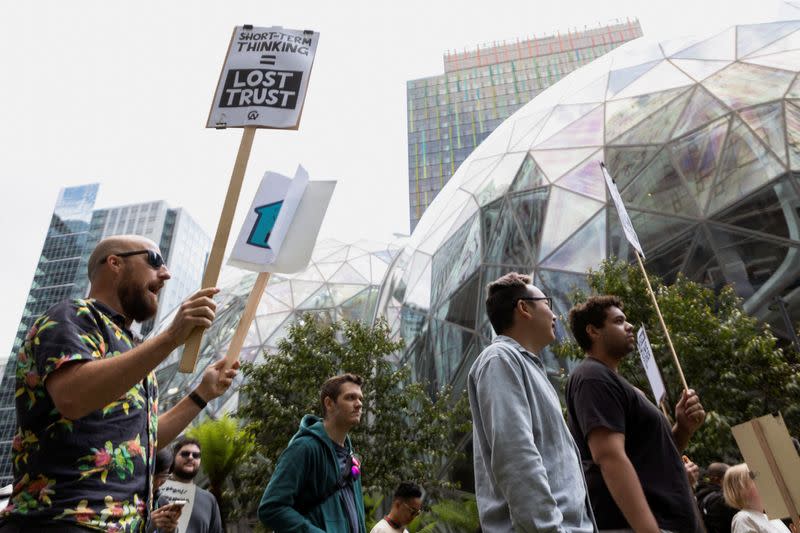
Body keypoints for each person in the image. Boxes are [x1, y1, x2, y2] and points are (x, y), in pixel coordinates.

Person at [0, 235, 239, 532]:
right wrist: (171, 337)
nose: (165, 273)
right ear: (114, 263)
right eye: (154, 261)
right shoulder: (72, 317)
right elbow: (73, 397)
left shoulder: (134, 346)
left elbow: (140, 443)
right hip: (61, 521)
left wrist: (203, 393)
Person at [467, 272, 595, 533]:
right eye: (547, 304)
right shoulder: (500, 358)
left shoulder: (528, 366)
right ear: (524, 308)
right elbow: (515, 453)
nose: (555, 314)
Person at [566, 295, 706, 533]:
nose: (629, 325)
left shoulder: (625, 387)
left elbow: (652, 457)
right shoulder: (592, 377)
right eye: (619, 321)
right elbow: (609, 457)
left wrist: (683, 428)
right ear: (593, 331)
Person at [259, 373, 367, 533]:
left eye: (360, 399)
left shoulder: (350, 456)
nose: (358, 404)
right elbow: (271, 507)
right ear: (329, 403)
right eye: (350, 397)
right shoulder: (304, 448)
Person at [155, 437, 222, 533]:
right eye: (185, 454)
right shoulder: (155, 489)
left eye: (196, 455)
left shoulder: (209, 500)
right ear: (174, 457)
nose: (190, 457)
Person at [722, 463, 791, 533]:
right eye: (754, 479)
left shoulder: (773, 519)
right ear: (740, 488)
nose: (764, 483)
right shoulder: (743, 518)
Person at [696, 462, 737, 533]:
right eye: (729, 477)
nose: (732, 481)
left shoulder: (701, 495)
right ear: (717, 479)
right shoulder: (720, 499)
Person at [149, 449, 181, 533]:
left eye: (164, 475)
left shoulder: (162, 503)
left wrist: (171, 530)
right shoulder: (129, 500)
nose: (157, 482)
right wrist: (148, 526)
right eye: (154, 475)